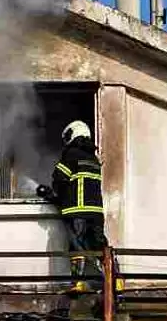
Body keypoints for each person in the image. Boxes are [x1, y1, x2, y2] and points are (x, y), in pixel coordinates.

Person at [38, 120, 110, 295]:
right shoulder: (93, 158)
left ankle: (78, 281)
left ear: (73, 134)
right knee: (100, 246)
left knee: (76, 246)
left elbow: (59, 179)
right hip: (96, 213)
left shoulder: (71, 154)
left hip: (77, 212)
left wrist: (51, 193)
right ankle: (113, 281)